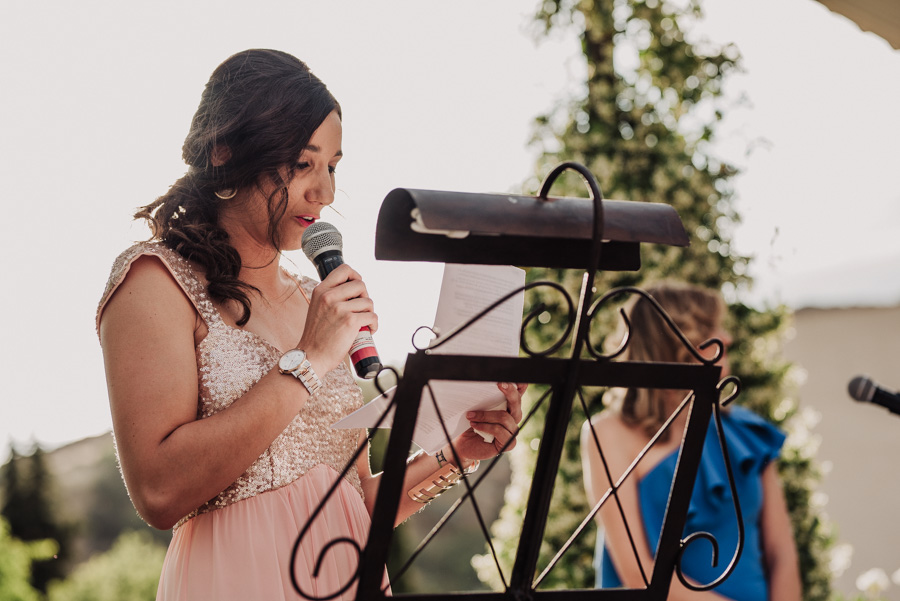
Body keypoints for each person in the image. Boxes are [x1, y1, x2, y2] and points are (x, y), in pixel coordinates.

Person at [96, 49, 525, 601]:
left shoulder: (309, 297)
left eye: (333, 167)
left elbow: (353, 503)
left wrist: (459, 450)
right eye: (303, 163)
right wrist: (311, 359)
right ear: (226, 152)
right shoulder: (155, 280)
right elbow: (157, 491)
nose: (324, 193)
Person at [581, 281, 801, 601]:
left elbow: (781, 552)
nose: (727, 338)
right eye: (709, 329)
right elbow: (637, 571)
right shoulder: (608, 433)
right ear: (670, 345)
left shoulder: (746, 432)